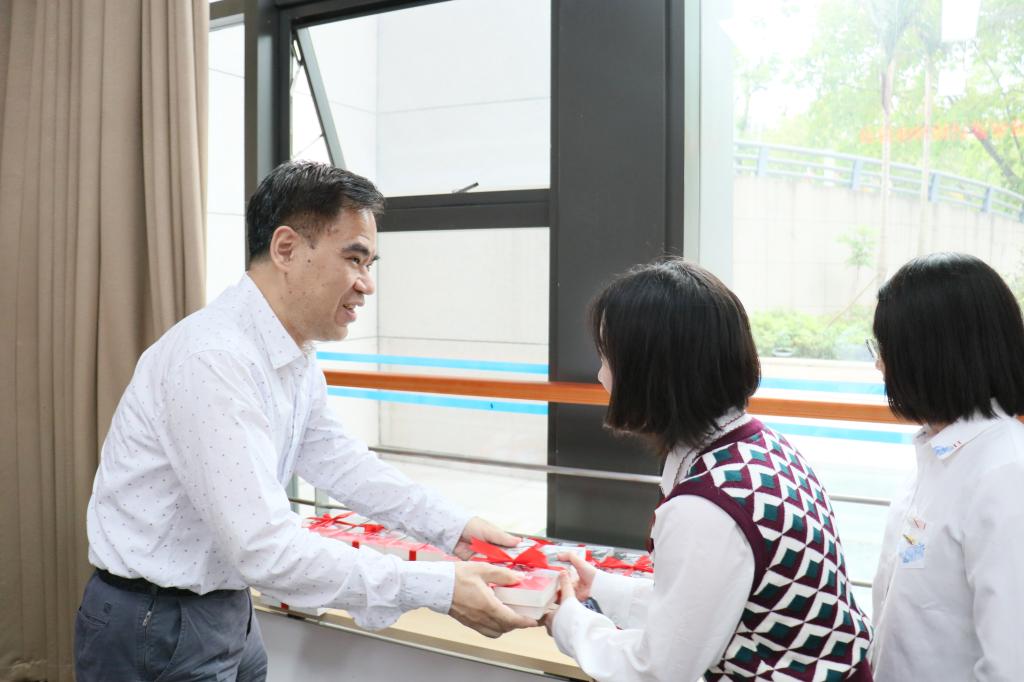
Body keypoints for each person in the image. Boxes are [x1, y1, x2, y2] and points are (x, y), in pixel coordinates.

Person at [74, 160, 535, 681]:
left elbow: (340, 461)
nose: (367, 285)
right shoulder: (212, 359)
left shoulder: (292, 351)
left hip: (226, 608)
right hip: (157, 622)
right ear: (287, 249)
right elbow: (266, 549)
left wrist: (455, 528)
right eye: (355, 259)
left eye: (370, 264)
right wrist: (437, 588)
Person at [544, 257, 873, 681]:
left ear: (650, 373)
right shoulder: (761, 449)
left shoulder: (706, 507)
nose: (600, 376)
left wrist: (568, 622)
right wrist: (604, 589)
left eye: (608, 358)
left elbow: (657, 670)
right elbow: (711, 612)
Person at [868, 252, 1024, 680]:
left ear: (930, 356)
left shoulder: (1005, 473)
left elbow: (1010, 664)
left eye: (886, 349)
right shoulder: (938, 452)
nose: (880, 365)